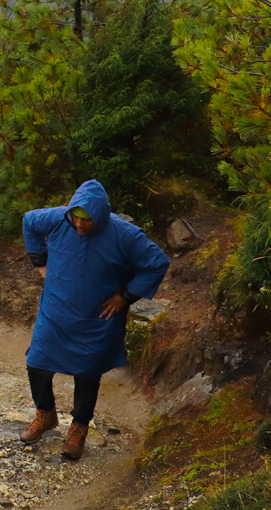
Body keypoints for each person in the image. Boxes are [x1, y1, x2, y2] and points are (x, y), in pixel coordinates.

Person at [21, 179, 170, 459]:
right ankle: (45, 414)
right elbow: (29, 221)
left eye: (86, 221)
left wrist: (125, 296)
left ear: (100, 216)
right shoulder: (57, 219)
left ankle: (79, 429)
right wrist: (40, 262)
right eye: (75, 218)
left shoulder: (124, 234)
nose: (79, 226)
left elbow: (157, 262)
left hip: (97, 317)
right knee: (37, 363)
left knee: (87, 373)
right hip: (56, 311)